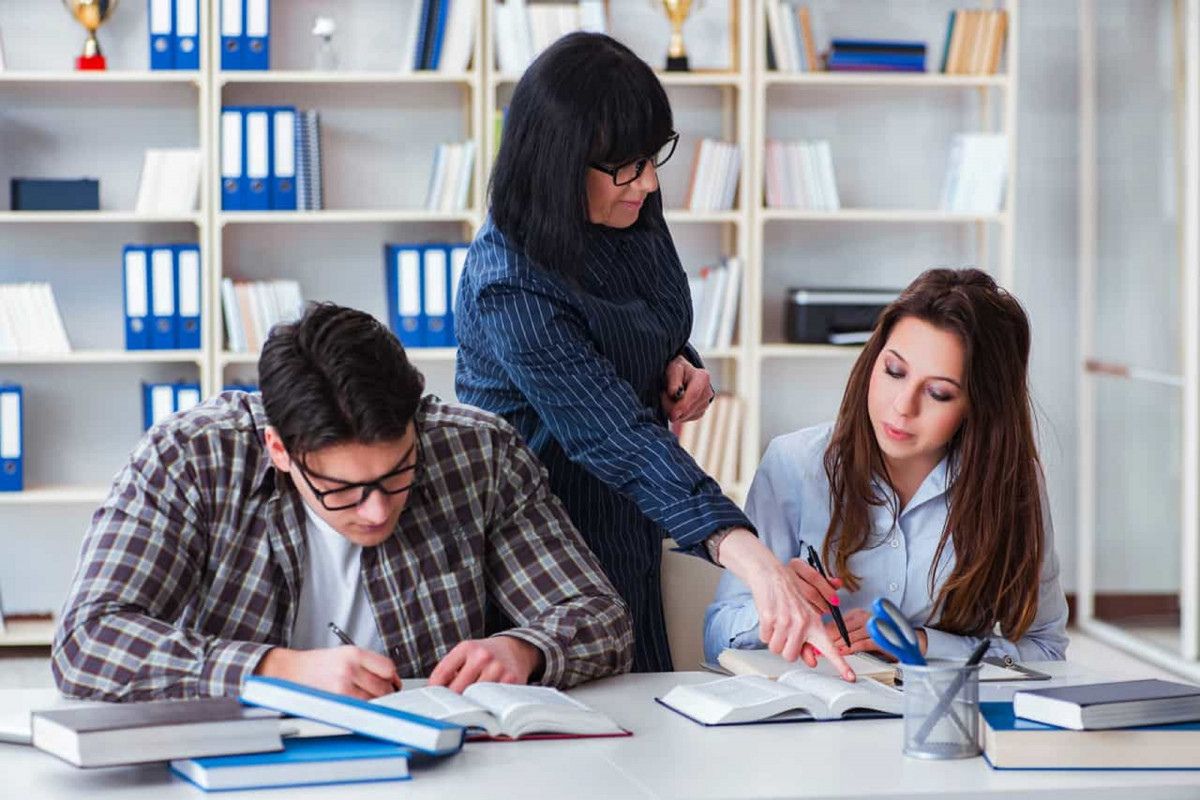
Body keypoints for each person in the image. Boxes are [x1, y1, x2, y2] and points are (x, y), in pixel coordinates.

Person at [454, 32, 851, 677]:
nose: (649, 182)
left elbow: (652, 317)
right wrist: (752, 557)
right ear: (559, 165)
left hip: (629, 521)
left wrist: (678, 361)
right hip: (539, 547)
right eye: (627, 167)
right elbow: (618, 435)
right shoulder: (510, 280)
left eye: (652, 158)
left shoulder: (628, 199)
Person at [52, 303, 633, 701]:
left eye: (397, 472)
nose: (377, 510)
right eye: (342, 489)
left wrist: (522, 648)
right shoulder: (191, 458)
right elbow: (87, 642)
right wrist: (278, 670)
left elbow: (601, 616)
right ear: (278, 449)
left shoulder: (478, 450)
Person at [705, 269, 1069, 665]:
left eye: (939, 393)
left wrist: (924, 644)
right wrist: (775, 603)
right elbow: (716, 638)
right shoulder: (794, 463)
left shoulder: (1012, 483)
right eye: (894, 372)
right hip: (815, 711)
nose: (903, 406)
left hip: (943, 714)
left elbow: (1046, 650)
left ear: (979, 407)